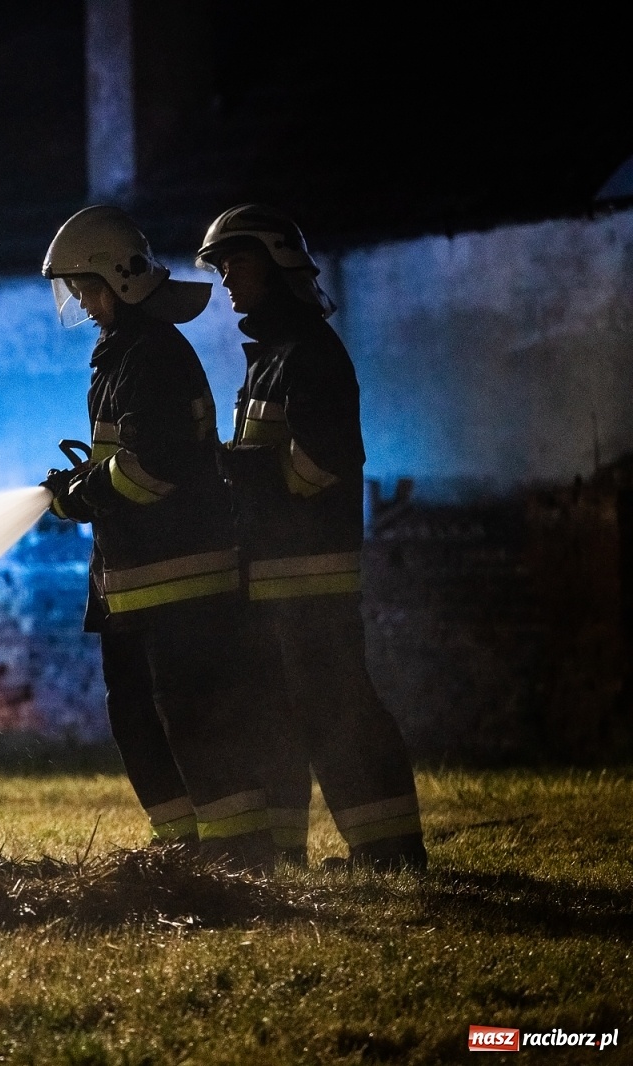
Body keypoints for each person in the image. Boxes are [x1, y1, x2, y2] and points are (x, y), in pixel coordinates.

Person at [40, 205, 274, 870]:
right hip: (135, 586)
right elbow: (127, 457)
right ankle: (181, 850)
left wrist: (84, 494)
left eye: (87, 288)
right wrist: (82, 482)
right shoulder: (123, 356)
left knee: (195, 720)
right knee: (139, 722)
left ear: (123, 280)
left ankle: (238, 851)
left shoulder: (152, 356)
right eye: (77, 291)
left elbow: (154, 468)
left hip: (182, 584)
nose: (82, 303)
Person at [197, 204, 427, 871]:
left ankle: (389, 853)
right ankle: (281, 855)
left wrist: (229, 466)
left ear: (275, 262)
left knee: (338, 713)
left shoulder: (309, 355)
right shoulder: (269, 357)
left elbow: (318, 462)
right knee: (278, 716)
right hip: (274, 578)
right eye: (222, 267)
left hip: (311, 579)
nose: (228, 280)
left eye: (236, 263)